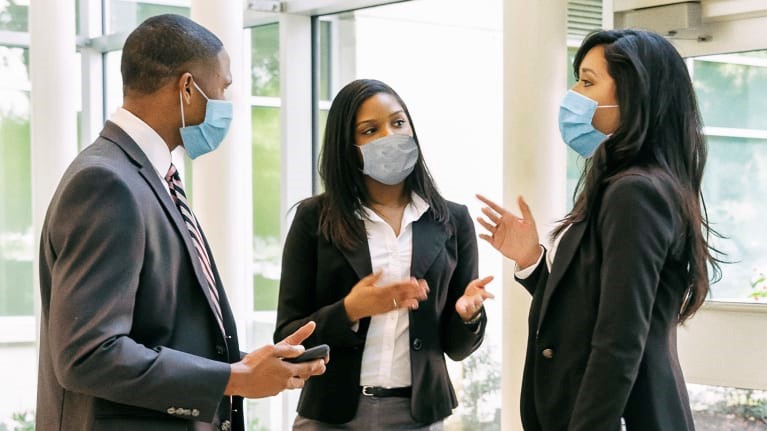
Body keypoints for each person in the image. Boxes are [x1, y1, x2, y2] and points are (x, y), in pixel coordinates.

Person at [36, 14, 325, 431]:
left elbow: (157, 330)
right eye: (224, 88)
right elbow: (88, 354)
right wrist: (233, 379)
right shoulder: (106, 182)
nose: (228, 105)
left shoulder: (147, 175)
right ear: (188, 87)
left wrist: (244, 364)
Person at [477, 29, 721, 431]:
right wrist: (532, 261)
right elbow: (595, 308)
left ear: (633, 95)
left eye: (588, 81)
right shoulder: (626, 185)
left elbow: (619, 342)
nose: (573, 93)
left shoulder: (635, 193)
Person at [274, 78, 494, 430]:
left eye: (398, 122)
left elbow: (456, 348)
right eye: (370, 130)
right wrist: (351, 310)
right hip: (332, 416)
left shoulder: (452, 220)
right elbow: (287, 336)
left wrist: (468, 317)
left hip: (418, 415)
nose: (389, 136)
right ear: (348, 147)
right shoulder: (314, 219)